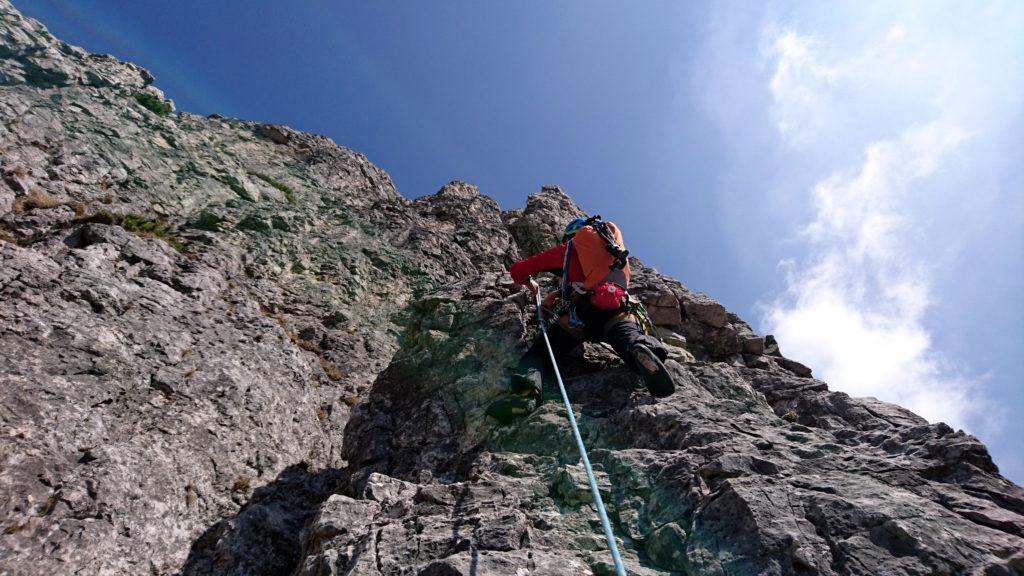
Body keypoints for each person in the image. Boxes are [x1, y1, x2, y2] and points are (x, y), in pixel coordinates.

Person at [487, 216, 675, 423]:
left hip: (580, 316)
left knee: (540, 353)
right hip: (615, 307)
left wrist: (531, 283)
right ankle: (645, 350)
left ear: (571, 237)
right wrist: (559, 292)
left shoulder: (568, 250)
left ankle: (526, 394)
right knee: (628, 337)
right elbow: (591, 282)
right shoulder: (615, 253)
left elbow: (518, 270)